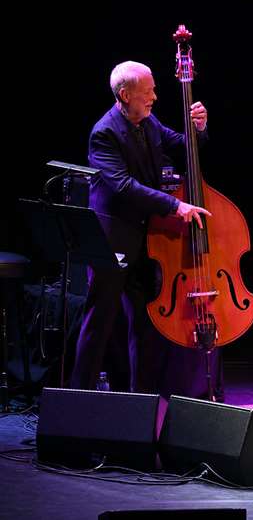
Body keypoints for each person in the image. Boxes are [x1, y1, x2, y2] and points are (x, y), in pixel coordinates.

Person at [69, 61, 211, 393]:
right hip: (112, 240)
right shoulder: (104, 132)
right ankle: (78, 397)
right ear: (125, 94)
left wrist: (198, 129)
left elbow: (182, 146)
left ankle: (139, 401)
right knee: (99, 323)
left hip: (146, 240)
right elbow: (123, 186)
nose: (155, 97)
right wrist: (176, 205)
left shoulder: (147, 121)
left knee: (145, 326)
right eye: (148, 91)